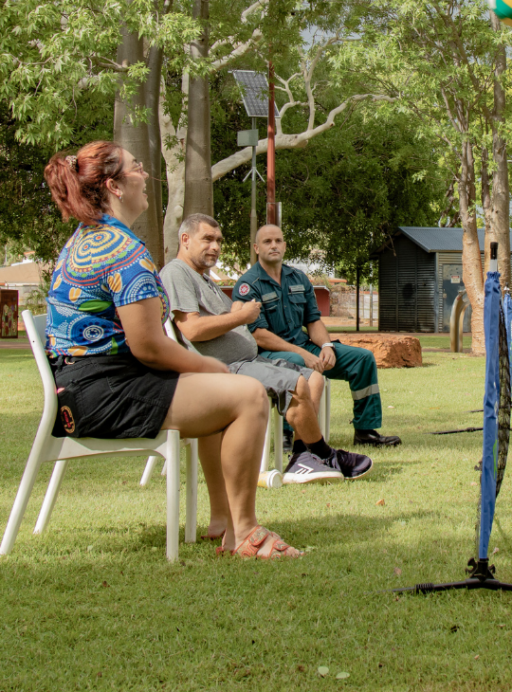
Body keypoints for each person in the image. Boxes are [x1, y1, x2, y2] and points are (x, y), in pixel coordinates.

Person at [43, 141, 302, 558]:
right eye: (136, 168)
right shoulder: (121, 250)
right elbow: (149, 347)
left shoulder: (88, 239)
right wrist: (209, 368)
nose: (145, 175)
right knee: (247, 394)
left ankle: (225, 520)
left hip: (81, 388)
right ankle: (246, 533)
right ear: (114, 185)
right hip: (103, 391)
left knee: (223, 394)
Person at [160, 214, 372, 488]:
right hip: (225, 369)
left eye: (218, 241)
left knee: (315, 378)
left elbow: (308, 319)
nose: (215, 247)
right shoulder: (177, 272)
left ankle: (301, 456)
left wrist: (236, 314)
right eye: (207, 239)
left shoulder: (205, 279)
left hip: (246, 360)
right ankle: (322, 454)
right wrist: (241, 316)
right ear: (185, 239)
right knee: (297, 382)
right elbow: (193, 330)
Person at [233, 226, 400, 448]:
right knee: (296, 364)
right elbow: (259, 336)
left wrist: (327, 346)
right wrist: (304, 354)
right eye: (267, 241)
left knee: (363, 359)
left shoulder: (298, 278)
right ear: (256, 248)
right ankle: (289, 435)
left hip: (305, 347)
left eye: (278, 240)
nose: (273, 245)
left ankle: (365, 432)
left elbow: (313, 321)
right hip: (270, 355)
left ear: (284, 246)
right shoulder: (248, 285)